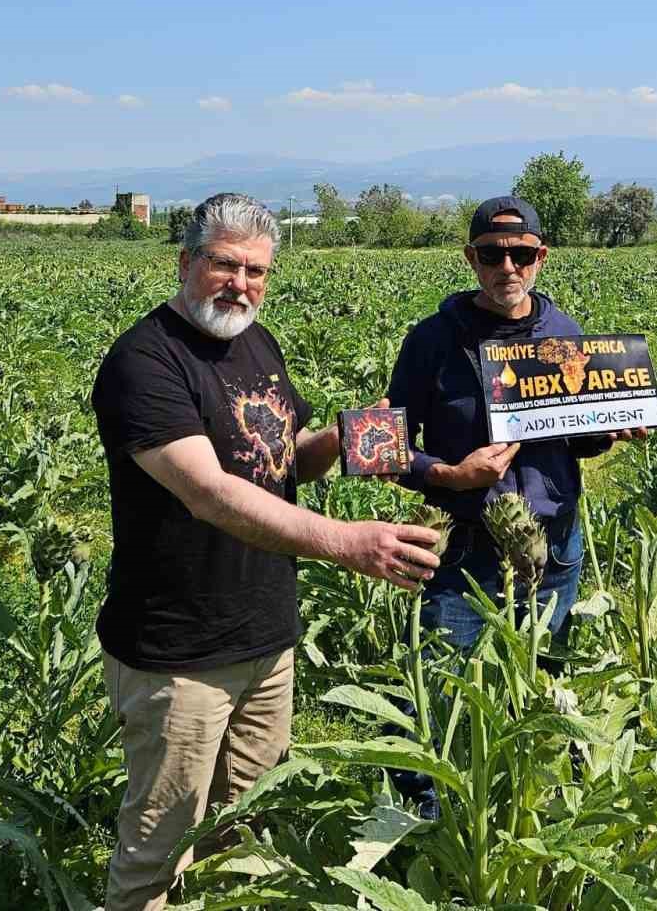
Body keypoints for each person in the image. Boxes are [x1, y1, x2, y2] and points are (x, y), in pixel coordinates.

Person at [90, 193, 441, 911]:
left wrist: (354, 435)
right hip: (178, 653)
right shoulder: (144, 362)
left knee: (241, 832)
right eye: (224, 264)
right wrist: (346, 541)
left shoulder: (256, 341)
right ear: (186, 261)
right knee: (157, 848)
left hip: (265, 636)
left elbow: (284, 462)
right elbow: (212, 494)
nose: (240, 284)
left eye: (256, 271)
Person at [384, 195, 646, 815]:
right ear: (471, 259)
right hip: (464, 548)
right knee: (440, 685)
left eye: (522, 254)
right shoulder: (432, 342)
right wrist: (447, 474)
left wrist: (612, 426)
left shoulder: (564, 336)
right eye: (493, 254)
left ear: (541, 258)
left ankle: (515, 800)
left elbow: (575, 440)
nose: (508, 267)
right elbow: (380, 444)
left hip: (552, 547)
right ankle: (426, 821)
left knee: (535, 683)